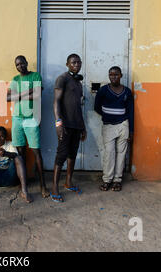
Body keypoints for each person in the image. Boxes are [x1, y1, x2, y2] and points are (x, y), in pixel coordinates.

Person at [7, 55, 49, 198]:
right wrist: (28, 92)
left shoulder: (35, 76)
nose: (20, 66)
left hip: (32, 118)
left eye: (22, 63)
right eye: (17, 65)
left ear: (26, 63)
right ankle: (23, 185)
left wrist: (18, 95)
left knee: (36, 152)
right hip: (17, 118)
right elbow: (8, 98)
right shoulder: (15, 79)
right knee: (20, 153)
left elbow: (37, 95)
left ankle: (43, 186)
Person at [51, 53, 87, 202]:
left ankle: (68, 182)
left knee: (72, 155)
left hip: (77, 126)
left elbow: (78, 108)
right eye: (73, 63)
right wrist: (58, 122)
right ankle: (54, 187)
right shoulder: (62, 79)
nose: (76, 65)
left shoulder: (79, 84)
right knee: (61, 156)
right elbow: (56, 102)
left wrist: (83, 127)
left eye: (78, 62)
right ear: (67, 64)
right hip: (65, 126)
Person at [94, 66, 134, 192]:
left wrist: (131, 130)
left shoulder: (127, 91)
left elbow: (130, 112)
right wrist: (107, 115)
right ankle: (107, 180)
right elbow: (96, 107)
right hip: (108, 125)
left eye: (116, 74)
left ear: (121, 75)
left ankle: (117, 180)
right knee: (109, 153)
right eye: (111, 74)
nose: (113, 77)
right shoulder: (103, 90)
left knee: (121, 153)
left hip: (123, 124)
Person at [0, 126, 33, 205]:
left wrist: (5, 153)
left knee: (19, 158)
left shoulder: (10, 144)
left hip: (9, 177)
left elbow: (15, 155)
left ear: (6, 137)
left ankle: (24, 191)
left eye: (2, 136)